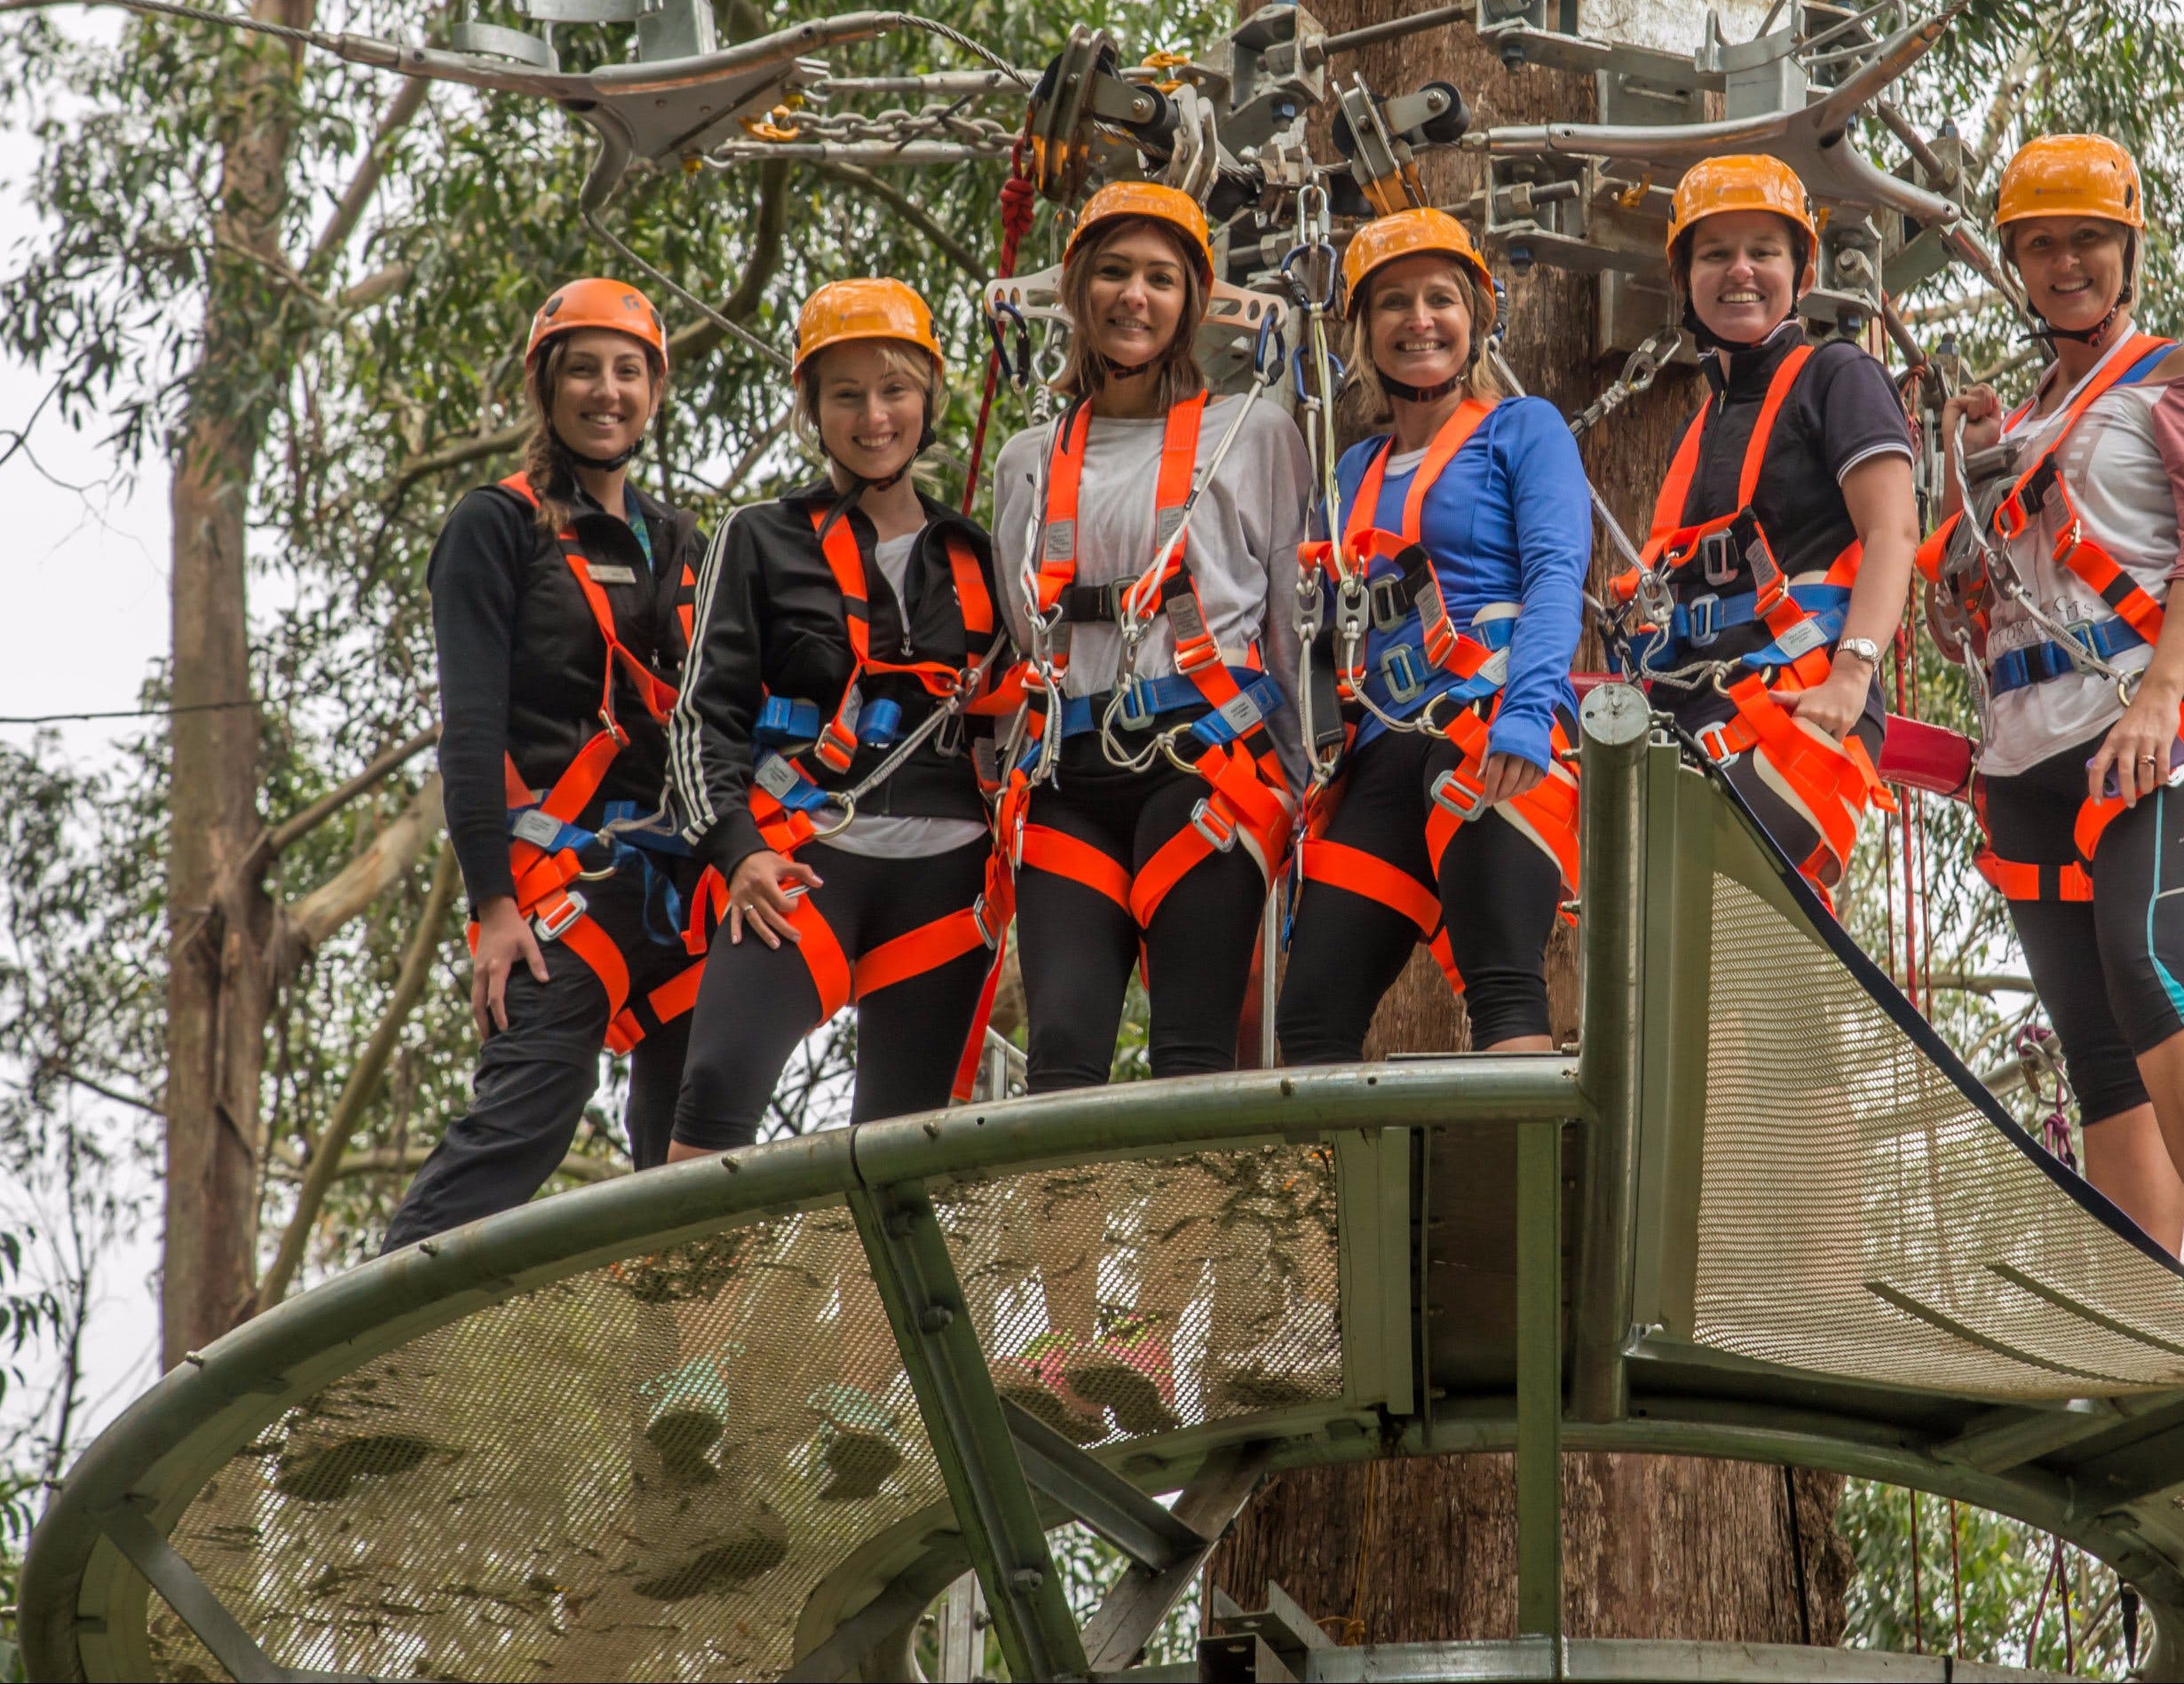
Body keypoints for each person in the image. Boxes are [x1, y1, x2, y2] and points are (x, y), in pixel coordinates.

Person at [979, 180, 1309, 1436]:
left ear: (1191, 302)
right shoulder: (1027, 459)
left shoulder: (1251, 434)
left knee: (1186, 1052)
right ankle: (1066, 1339)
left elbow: (1289, 619)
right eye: (1112, 272)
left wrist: (1297, 784)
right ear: (1077, 293)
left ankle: (1161, 1332)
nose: (1133, 297)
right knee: (1062, 1047)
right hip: (1069, 775)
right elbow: (1022, 633)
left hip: (1202, 771)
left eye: (1160, 278)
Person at [1929, 135, 2184, 1289]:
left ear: (2127, 249)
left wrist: (2164, 697)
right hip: (2027, 749)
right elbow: (1963, 615)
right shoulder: (2020, 418)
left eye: (2085, 239)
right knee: (2092, 1038)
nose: (2063, 261)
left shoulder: (2179, 375)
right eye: (2038, 244)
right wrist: (1964, 470)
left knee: (2151, 967)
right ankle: (2143, 1287)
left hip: (2145, 725)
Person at [383, 280, 701, 1251]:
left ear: (654, 389)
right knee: (521, 1123)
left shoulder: (679, 541)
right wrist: (492, 907)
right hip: (556, 886)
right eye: (582, 369)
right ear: (544, 385)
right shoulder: (498, 526)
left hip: (679, 886)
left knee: (690, 1149)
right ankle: (360, 1373)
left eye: (627, 370)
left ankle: (674, 1379)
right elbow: (469, 729)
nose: (605, 391)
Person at [665, 275, 1011, 1163]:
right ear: (810, 410)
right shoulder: (761, 535)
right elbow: (702, 717)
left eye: (894, 389)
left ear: (928, 399)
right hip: (800, 857)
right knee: (717, 1083)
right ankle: (682, 1301)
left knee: (901, 1147)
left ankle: (879, 1306)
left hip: (943, 878)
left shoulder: (973, 554)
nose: (872, 416)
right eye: (844, 394)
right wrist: (738, 853)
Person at [1275, 208, 1589, 1062]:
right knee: (1308, 1018)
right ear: (1364, 329)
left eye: (1440, 299)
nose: (1420, 321)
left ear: (1475, 317)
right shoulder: (1351, 471)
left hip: (1487, 725)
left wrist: (1529, 715)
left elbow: (1558, 576)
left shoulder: (1522, 429)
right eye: (1394, 304)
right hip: (1381, 747)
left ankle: (1510, 1191)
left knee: (1502, 980)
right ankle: (1324, 1199)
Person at [1618, 154, 1917, 889]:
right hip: (1694, 702)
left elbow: (1893, 533)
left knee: (1712, 910)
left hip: (1801, 689)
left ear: (1802, 275)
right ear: (1687, 280)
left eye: (1764, 252)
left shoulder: (1836, 375)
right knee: (1666, 953)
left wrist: (1852, 676)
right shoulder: (1702, 427)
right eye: (1715, 254)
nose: (1740, 271)